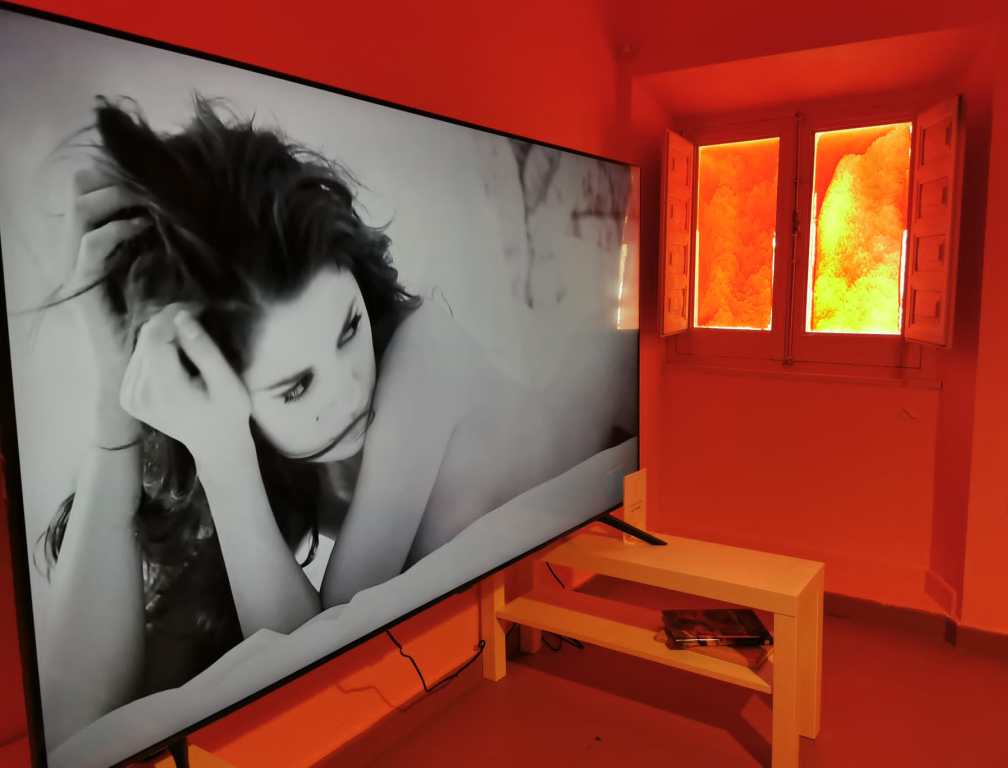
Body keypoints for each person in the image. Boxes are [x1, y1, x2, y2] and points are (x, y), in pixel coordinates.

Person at [34, 95, 634, 751]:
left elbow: (326, 658)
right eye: (296, 386)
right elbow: (77, 730)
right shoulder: (258, 451)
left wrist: (227, 461)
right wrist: (112, 398)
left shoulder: (424, 354)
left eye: (349, 327)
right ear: (216, 397)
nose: (350, 389)